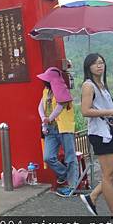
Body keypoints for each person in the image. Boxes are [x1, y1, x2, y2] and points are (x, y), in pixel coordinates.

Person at [79, 53, 113, 222]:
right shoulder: (88, 86)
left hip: (110, 132)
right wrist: (109, 112)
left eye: (101, 63)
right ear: (89, 67)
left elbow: (103, 106)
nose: (99, 66)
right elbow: (85, 111)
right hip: (100, 134)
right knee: (107, 175)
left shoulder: (102, 84)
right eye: (95, 64)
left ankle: (92, 196)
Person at [37, 67, 78, 197]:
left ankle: (72, 186)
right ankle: (65, 174)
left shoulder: (63, 91)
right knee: (48, 157)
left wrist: (49, 118)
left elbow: (61, 105)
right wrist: (44, 118)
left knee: (70, 157)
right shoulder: (46, 91)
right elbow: (40, 105)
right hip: (51, 129)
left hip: (64, 128)